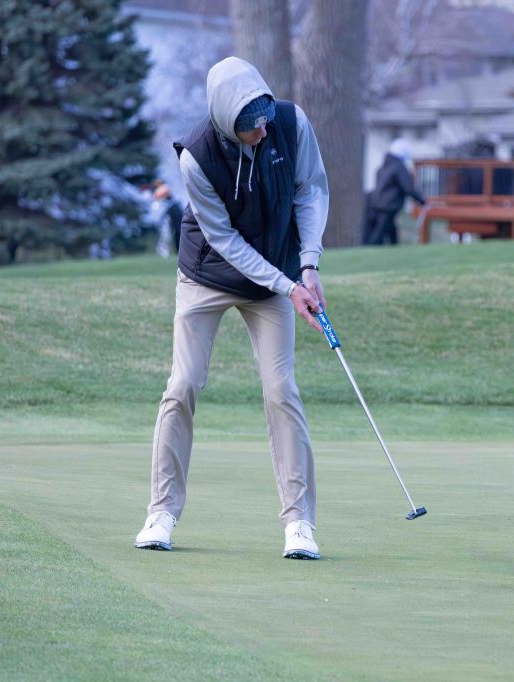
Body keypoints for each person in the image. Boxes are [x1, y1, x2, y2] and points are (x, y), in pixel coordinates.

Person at [133, 57, 329, 560]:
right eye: (250, 127)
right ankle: (161, 511)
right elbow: (226, 242)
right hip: (208, 274)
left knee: (281, 390)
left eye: (263, 119)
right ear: (226, 124)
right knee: (183, 385)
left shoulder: (289, 122)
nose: (262, 132)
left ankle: (299, 524)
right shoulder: (195, 157)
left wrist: (308, 265)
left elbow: (310, 190)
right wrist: (288, 285)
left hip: (279, 277)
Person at [362, 138, 425, 245]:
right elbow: (408, 187)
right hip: (388, 205)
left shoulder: (383, 167)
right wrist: (422, 200)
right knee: (378, 236)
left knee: (390, 231)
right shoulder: (399, 168)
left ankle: (394, 248)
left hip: (376, 203)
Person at [151, 181, 184, 257]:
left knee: (173, 234)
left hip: (172, 216)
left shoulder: (164, 190)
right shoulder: (162, 193)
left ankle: (174, 251)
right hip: (168, 218)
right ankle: (165, 251)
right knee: (167, 235)